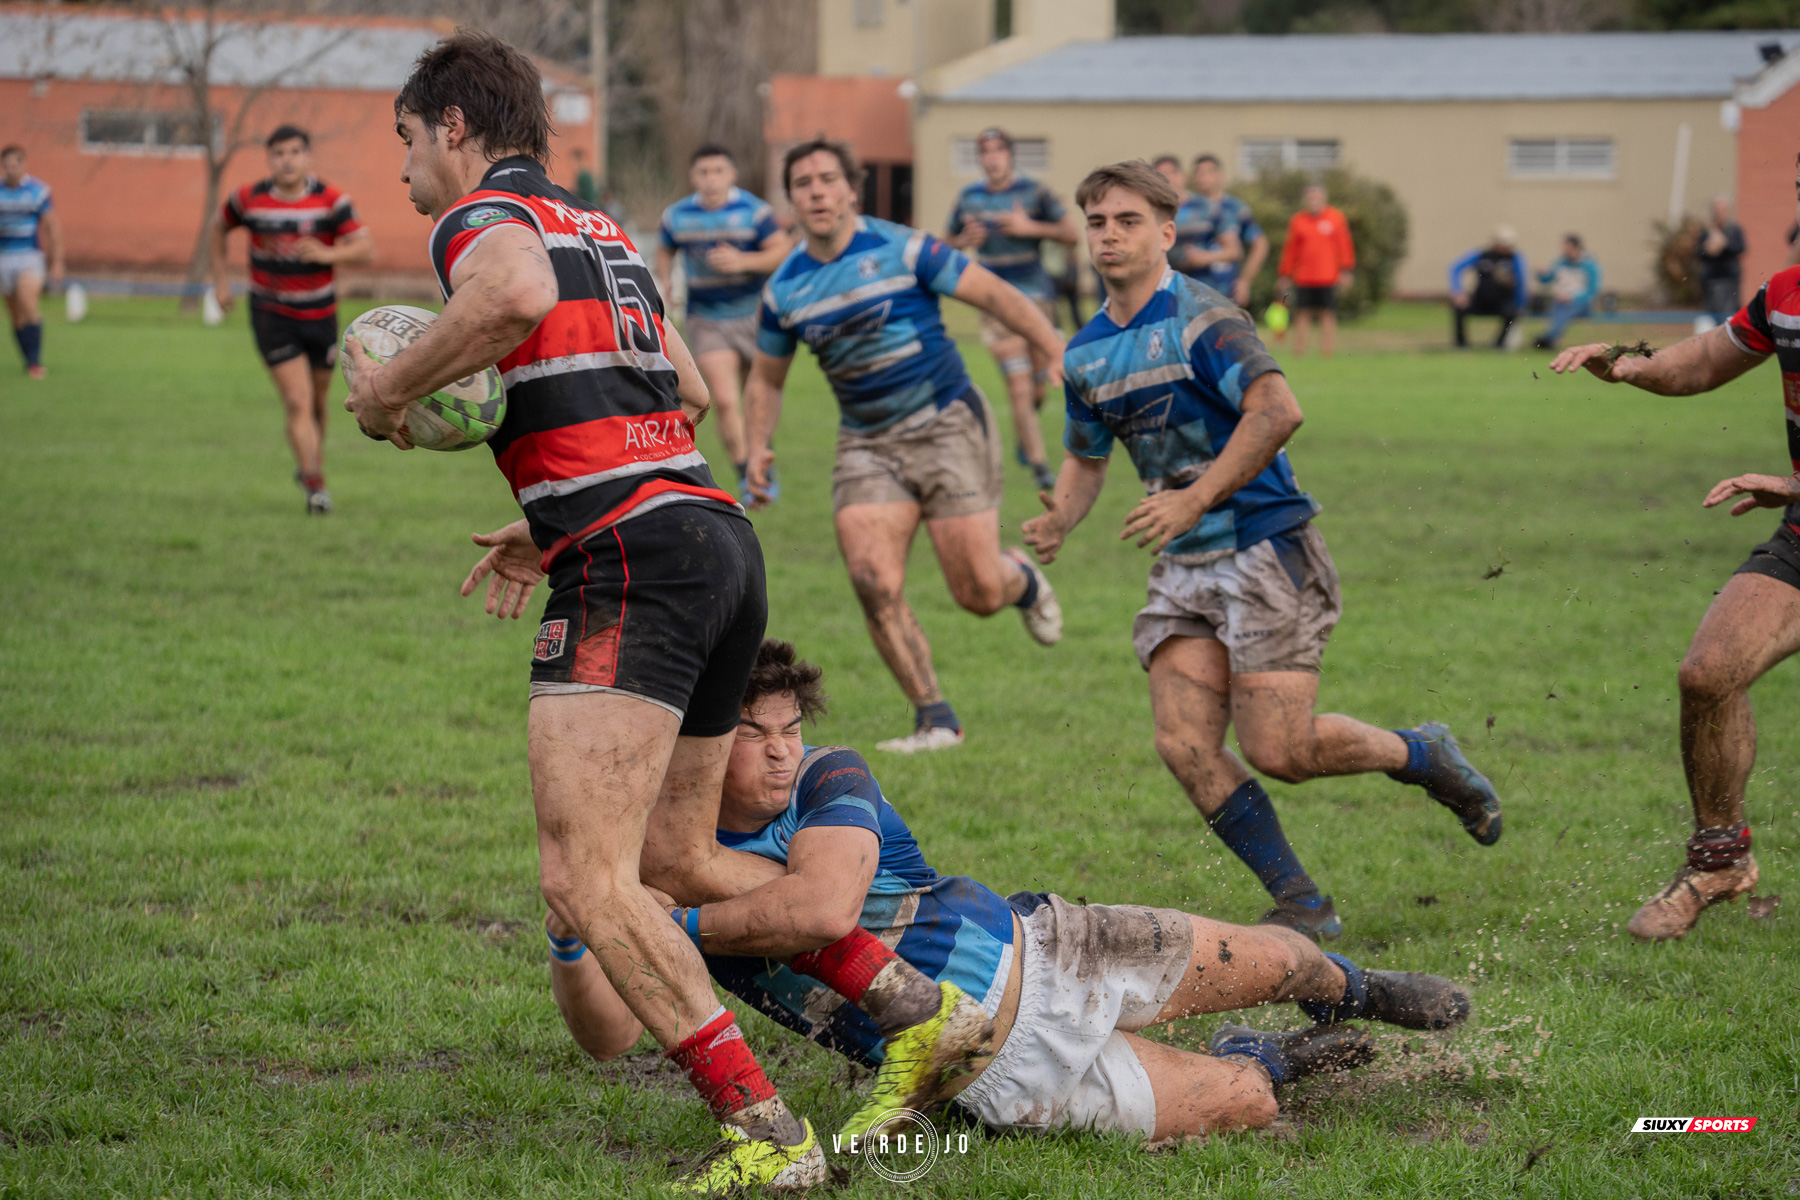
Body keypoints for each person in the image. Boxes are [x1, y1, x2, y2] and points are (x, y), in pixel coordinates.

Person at [343, 34, 989, 1193]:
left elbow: (514, 297)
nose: (400, 171)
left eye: (402, 141)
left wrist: (392, 388)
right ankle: (919, 1008)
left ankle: (765, 1133)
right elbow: (682, 389)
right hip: (713, 535)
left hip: (633, 560)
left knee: (585, 878)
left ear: (452, 126)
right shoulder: (604, 228)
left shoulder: (481, 224)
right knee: (675, 857)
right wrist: (552, 508)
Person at [548, 639, 1474, 1142]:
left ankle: (1362, 990)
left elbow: (822, 911)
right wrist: (581, 928)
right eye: (754, 732)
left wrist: (683, 924)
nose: (784, 747)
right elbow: (610, 1034)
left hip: (1051, 948)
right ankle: (1257, 1056)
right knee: (1246, 1105)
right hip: (991, 1068)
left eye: (789, 726)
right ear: (704, 747)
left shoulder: (832, 776)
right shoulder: (644, 867)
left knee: (1287, 956)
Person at [1022, 162, 1503, 942]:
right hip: (1184, 565)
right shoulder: (1084, 354)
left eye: (1127, 220)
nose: (1109, 235)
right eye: (1097, 222)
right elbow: (1087, 458)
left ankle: (1421, 752)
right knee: (1182, 742)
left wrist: (1193, 497)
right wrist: (1061, 522)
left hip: (1264, 543)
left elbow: (1278, 410)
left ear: (1167, 232)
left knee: (1282, 749)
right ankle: (1302, 903)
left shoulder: (1205, 319)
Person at [746, 138, 1066, 755]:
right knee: (871, 576)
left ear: (850, 189)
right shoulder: (784, 288)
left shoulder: (904, 248)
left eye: (826, 179)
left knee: (975, 592)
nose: (815, 191)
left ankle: (1019, 582)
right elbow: (765, 377)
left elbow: (996, 295)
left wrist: (1051, 347)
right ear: (791, 200)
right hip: (868, 443)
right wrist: (758, 445)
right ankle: (935, 718)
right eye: (802, 183)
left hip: (947, 423)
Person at [1547, 272, 1800, 940]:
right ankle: (1721, 860)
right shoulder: (1786, 295)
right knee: (1708, 673)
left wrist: (1790, 482)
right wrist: (1633, 366)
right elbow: (1706, 361)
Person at [210, 126, 374, 514]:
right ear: (270, 158)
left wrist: (325, 254)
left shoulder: (331, 201)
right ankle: (316, 488)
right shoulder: (248, 199)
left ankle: (311, 468)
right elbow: (218, 228)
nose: (287, 159)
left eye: (295, 152)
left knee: (318, 404)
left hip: (320, 316)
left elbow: (365, 248)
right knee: (298, 401)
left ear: (307, 156)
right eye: (279, 153)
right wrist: (220, 281)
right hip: (271, 314)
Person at [945, 128, 1080, 492]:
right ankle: (1040, 468)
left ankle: (1026, 433)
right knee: (1018, 388)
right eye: (984, 151)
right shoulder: (968, 197)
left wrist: (1029, 226)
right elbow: (942, 245)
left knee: (1038, 387)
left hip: (1036, 299)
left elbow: (1072, 233)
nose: (992, 158)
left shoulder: (1035, 191)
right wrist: (962, 241)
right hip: (993, 302)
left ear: (1009, 155)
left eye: (998, 150)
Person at [656, 145, 792, 501]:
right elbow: (665, 247)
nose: (711, 179)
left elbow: (782, 251)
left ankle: (761, 449)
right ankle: (747, 474)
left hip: (755, 316)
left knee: (754, 399)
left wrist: (744, 261)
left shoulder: (755, 212)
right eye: (703, 172)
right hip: (707, 319)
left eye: (718, 171)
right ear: (693, 177)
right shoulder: (677, 216)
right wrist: (666, 279)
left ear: (731, 175)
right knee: (727, 401)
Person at [0, 145, 64, 380]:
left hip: (29, 257)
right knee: (15, 315)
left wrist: (56, 262)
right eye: (6, 165)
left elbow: (52, 227)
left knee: (28, 305)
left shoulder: (38, 191)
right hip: (3, 258)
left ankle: (35, 362)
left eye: (15, 164)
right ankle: (27, 359)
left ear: (23, 165)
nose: (11, 169)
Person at [1177, 155, 1267, 308]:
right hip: (1190, 289)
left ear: (1220, 176)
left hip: (1225, 289)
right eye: (1198, 173)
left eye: (1208, 172)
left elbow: (1260, 243)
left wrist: (1245, 281)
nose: (1202, 177)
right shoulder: (1184, 208)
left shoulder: (1234, 208)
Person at [1275, 184, 1353, 358]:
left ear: (1324, 198)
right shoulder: (1298, 220)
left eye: (1316, 196)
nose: (1313, 200)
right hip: (1304, 276)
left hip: (1328, 276)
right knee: (1302, 313)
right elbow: (1291, 250)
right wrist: (1285, 274)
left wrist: (1346, 270)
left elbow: (1344, 246)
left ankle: (1327, 352)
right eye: (1310, 197)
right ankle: (1299, 351)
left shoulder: (1335, 218)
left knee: (1327, 313)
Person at [1447, 225, 1527, 351]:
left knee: (1511, 312)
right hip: (1481, 300)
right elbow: (1455, 268)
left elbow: (1521, 283)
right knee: (1459, 307)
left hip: (1501, 303)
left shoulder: (1515, 259)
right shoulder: (1481, 255)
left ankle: (1499, 345)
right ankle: (1461, 345)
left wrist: (1520, 305)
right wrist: (1458, 292)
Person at [1532, 233, 1601, 351]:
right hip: (1561, 302)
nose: (1564, 250)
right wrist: (1541, 273)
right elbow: (1547, 279)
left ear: (1576, 248)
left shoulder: (1590, 266)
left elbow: (1592, 292)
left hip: (1581, 304)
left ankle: (1549, 338)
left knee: (1567, 307)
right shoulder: (1560, 263)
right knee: (1559, 306)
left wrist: (1572, 297)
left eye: (1566, 247)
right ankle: (1550, 338)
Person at [1698, 195, 1746, 327]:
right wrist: (1707, 249)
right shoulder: (1707, 230)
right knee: (1711, 314)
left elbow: (1741, 248)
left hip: (1729, 279)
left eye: (1722, 210)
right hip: (1711, 279)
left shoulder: (1734, 229)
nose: (1718, 213)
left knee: (1728, 313)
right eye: (1716, 210)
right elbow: (1699, 253)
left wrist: (1724, 245)